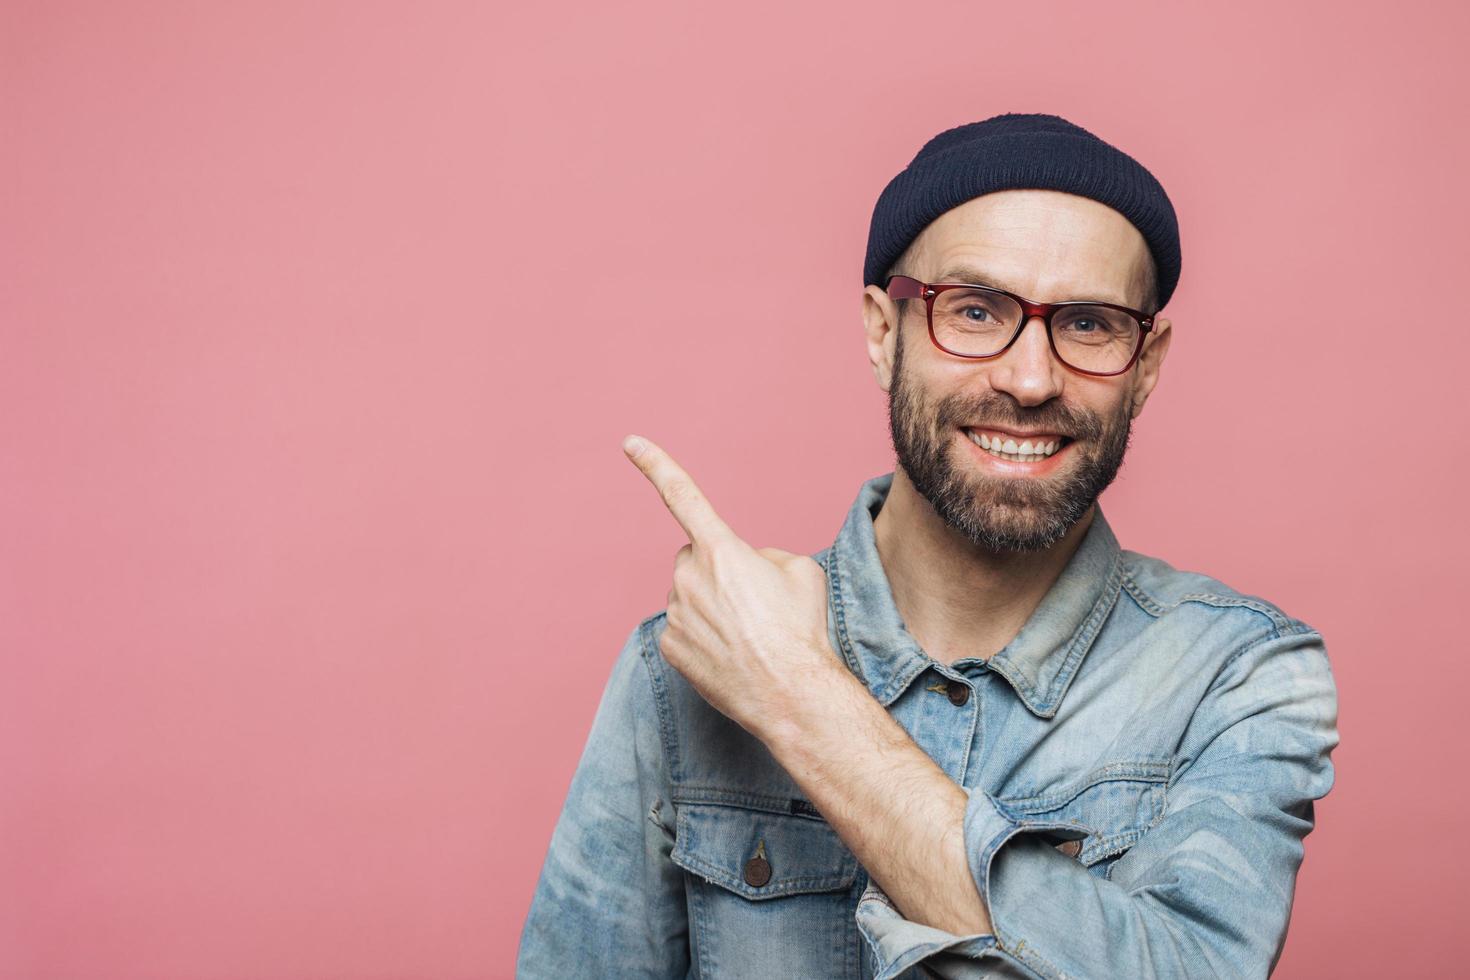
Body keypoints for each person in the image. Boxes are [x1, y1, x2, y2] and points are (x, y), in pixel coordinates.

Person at [515, 112, 1339, 979]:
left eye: (1089, 324)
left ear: (1149, 363)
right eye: (975, 311)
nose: (1030, 379)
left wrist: (799, 698)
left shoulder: (1242, 675)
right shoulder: (686, 664)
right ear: (882, 333)